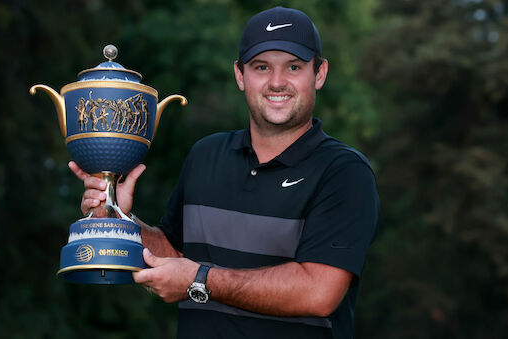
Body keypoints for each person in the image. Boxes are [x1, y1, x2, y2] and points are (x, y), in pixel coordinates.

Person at [70, 7, 379, 339]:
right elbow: (174, 258)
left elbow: (319, 293)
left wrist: (200, 279)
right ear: (240, 75)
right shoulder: (206, 154)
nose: (277, 82)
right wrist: (118, 219)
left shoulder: (344, 173)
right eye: (262, 67)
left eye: (294, 67)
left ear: (319, 74)